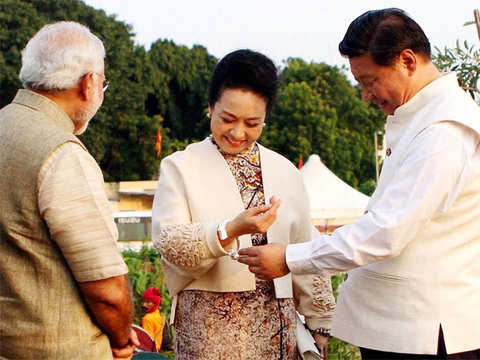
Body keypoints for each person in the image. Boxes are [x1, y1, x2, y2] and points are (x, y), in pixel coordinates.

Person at [237, 8, 480, 359]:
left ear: (407, 61)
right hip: (407, 332)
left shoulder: (442, 133)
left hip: (426, 336)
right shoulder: (424, 121)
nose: (366, 96)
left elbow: (387, 231)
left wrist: (291, 257)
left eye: (369, 81)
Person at [152, 49, 335, 360]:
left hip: (278, 332)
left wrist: (320, 322)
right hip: (209, 335)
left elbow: (305, 244)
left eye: (252, 123)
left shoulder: (285, 170)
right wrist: (230, 229)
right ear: (210, 108)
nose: (238, 133)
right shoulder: (180, 167)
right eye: (227, 119)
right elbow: (170, 244)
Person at [0, 22, 139, 359]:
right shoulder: (61, 153)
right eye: (104, 83)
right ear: (88, 83)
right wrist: (122, 340)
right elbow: (106, 288)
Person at [141, 287, 165, 352]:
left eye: (148, 302)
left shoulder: (147, 318)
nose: (144, 305)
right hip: (157, 350)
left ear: (155, 303)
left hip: (150, 351)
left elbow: (147, 341)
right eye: (143, 301)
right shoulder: (159, 315)